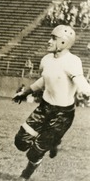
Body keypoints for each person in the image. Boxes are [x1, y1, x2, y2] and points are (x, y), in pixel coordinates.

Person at [12, 25, 90, 180]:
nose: (49, 41)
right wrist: (26, 92)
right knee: (20, 142)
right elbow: (45, 79)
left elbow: (80, 80)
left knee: (36, 150)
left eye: (54, 38)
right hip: (44, 108)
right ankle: (54, 141)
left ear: (63, 42)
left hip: (62, 115)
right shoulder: (46, 59)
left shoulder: (72, 61)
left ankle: (25, 175)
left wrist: (86, 91)